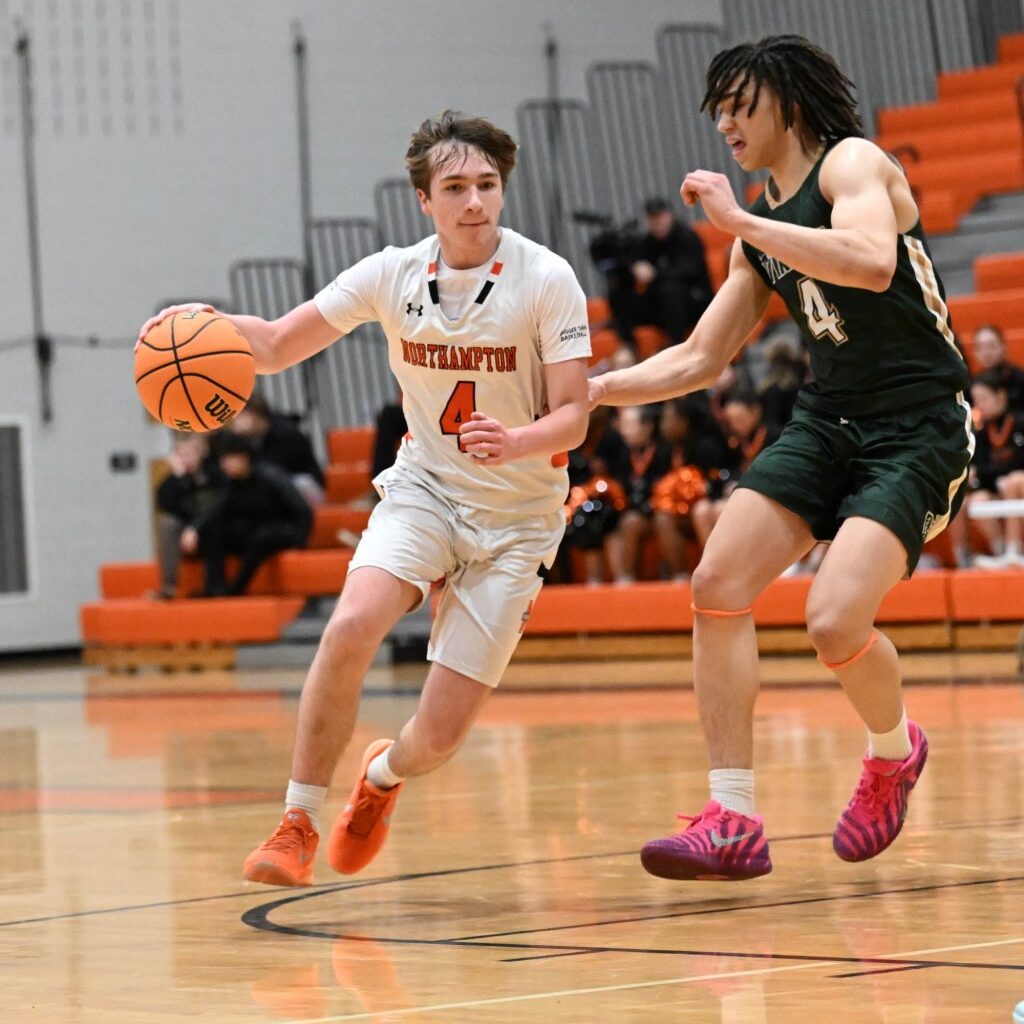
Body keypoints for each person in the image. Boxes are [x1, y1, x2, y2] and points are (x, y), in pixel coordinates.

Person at [137, 110, 590, 886]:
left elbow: (575, 414)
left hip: (518, 518)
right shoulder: (390, 274)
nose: (475, 201)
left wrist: (517, 442)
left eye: (487, 185)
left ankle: (380, 777)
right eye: (456, 187)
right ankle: (296, 822)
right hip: (428, 490)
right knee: (350, 625)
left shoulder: (547, 279)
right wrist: (198, 327)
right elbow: (278, 344)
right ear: (425, 200)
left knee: (439, 739)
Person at [589, 35, 972, 881]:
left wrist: (738, 221)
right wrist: (595, 391)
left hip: (918, 427)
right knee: (716, 584)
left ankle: (891, 752)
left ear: (787, 104)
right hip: (830, 420)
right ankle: (732, 816)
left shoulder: (852, 165)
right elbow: (698, 358)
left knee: (834, 622)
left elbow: (872, 264)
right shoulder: (755, 229)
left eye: (739, 105)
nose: (725, 123)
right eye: (717, 109)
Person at [194, 433, 312, 597]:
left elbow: (302, 509)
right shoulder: (232, 483)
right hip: (255, 531)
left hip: (282, 530)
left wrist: (300, 544)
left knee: (263, 536)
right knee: (214, 530)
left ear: (243, 457)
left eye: (228, 459)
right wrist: (195, 529)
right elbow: (216, 510)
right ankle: (214, 587)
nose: (224, 465)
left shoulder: (270, 475)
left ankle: (237, 588)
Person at [608, 198, 714, 349]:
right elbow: (632, 271)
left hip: (694, 302)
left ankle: (675, 345)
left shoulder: (687, 237)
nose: (657, 222)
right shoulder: (646, 242)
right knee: (618, 293)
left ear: (670, 216)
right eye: (652, 218)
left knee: (670, 289)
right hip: (661, 307)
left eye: (660, 217)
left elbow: (688, 271)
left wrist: (655, 273)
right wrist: (631, 269)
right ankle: (628, 345)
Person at [950, 372, 1024, 568]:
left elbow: (1016, 464)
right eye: (976, 400)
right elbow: (980, 469)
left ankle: (1014, 549)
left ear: (1001, 396)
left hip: (1018, 486)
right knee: (976, 499)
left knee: (1015, 480)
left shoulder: (1019, 422)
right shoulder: (981, 432)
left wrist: (986, 475)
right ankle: (995, 552)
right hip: (999, 489)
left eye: (984, 398)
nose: (979, 405)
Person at [152, 433, 221, 599]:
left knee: (214, 527)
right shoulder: (177, 478)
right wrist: (180, 479)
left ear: (201, 453)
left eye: (188, 454)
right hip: (187, 533)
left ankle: (214, 586)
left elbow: (209, 507)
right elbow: (165, 504)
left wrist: (194, 528)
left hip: (211, 527)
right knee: (168, 523)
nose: (184, 459)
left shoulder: (214, 473)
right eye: (180, 455)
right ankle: (168, 587)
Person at [230, 393, 326, 506]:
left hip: (305, 488)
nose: (235, 421)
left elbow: (273, 470)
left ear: (253, 413)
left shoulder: (284, 433)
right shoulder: (257, 438)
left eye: (239, 415)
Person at [971, 324, 1024, 413]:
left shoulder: (1020, 379)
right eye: (981, 347)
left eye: (992, 346)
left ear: (1003, 347)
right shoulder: (974, 384)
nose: (986, 352)